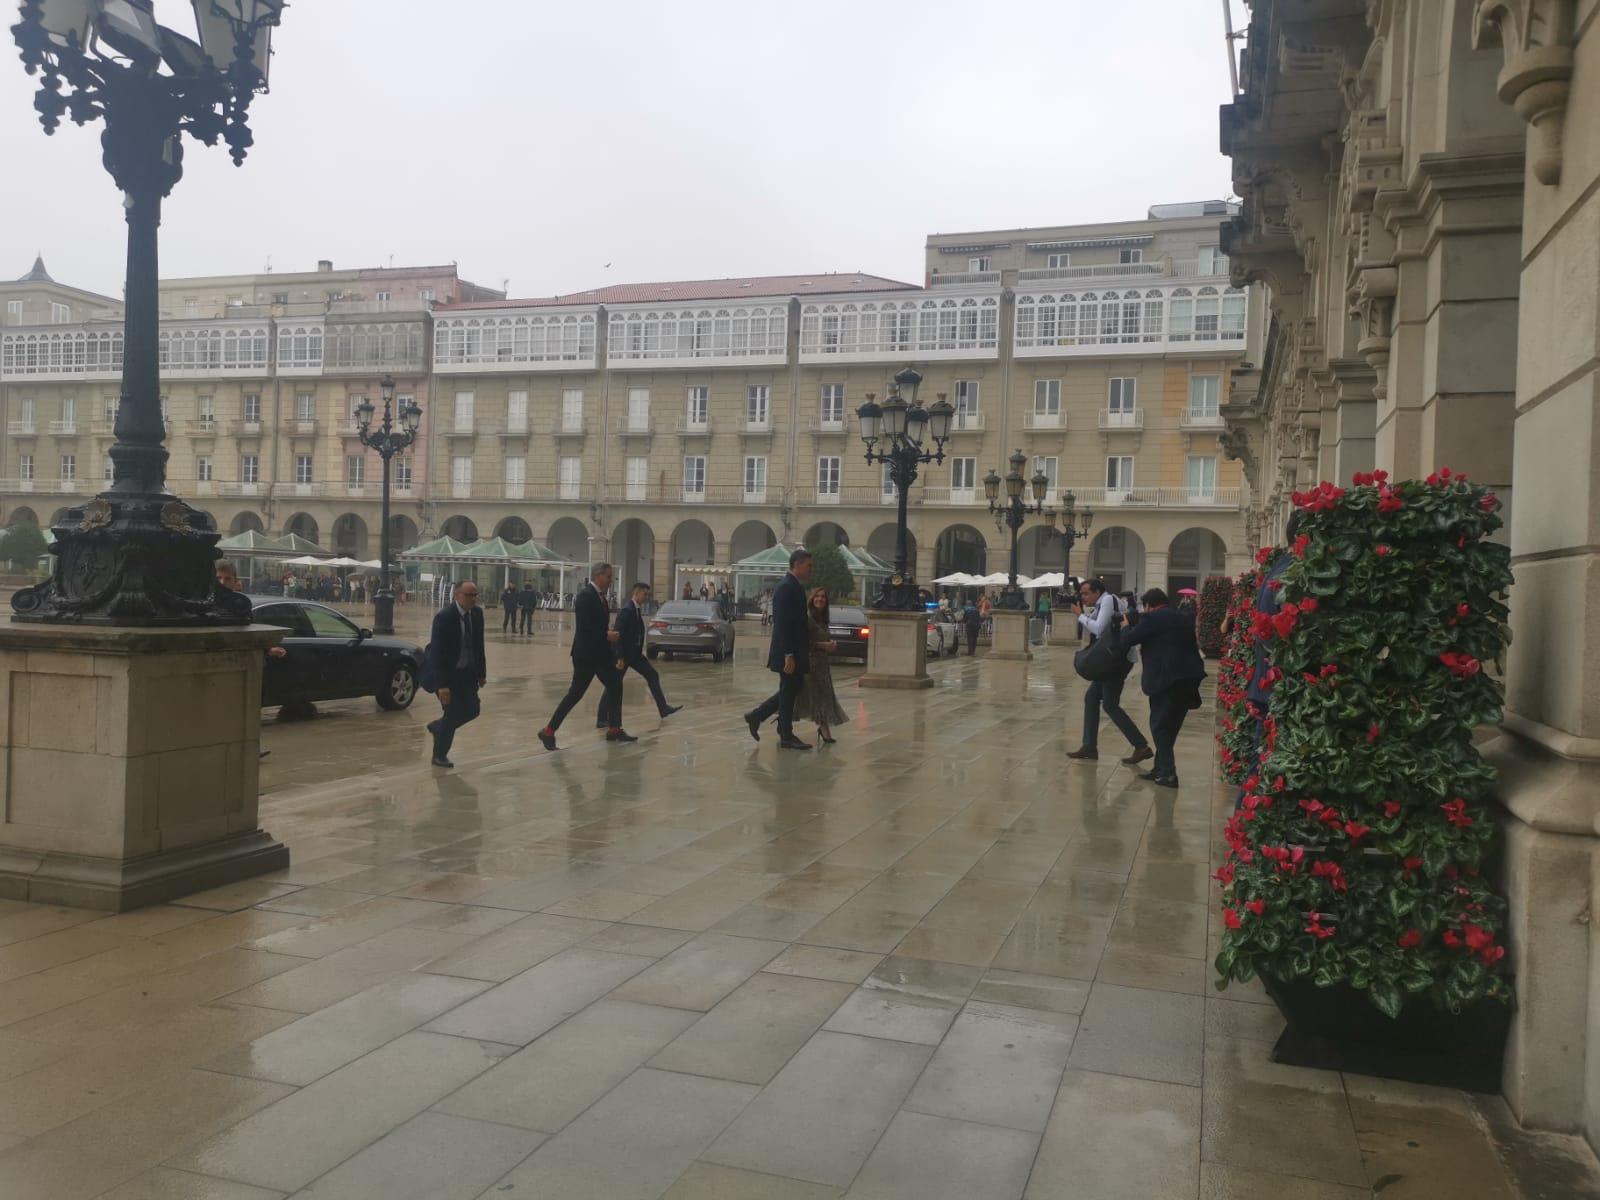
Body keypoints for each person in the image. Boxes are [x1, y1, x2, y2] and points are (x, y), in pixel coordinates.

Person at [1114, 586, 1206, 789]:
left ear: (1149, 605)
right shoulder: (1183, 616)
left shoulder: (1152, 618)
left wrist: (1126, 626)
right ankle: (1159, 768)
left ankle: (1168, 774)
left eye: (1145, 607)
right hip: (1189, 678)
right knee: (1170, 727)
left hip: (1166, 680)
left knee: (1159, 726)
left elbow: (1128, 640)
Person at [539, 562, 630, 750]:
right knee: (575, 694)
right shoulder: (585, 596)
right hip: (586, 655)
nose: (610, 580)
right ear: (598, 576)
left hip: (601, 654)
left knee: (615, 685)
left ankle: (614, 728)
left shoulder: (600, 597)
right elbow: (585, 627)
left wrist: (608, 636)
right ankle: (548, 731)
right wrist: (606, 634)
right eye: (608, 576)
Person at [1067, 578, 1153, 766]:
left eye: (1086, 593)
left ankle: (1141, 746)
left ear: (1098, 592)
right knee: (1092, 698)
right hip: (1110, 659)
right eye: (1082, 594)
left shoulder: (1107, 600)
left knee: (1110, 704)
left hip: (1116, 661)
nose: (1084, 597)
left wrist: (1079, 615)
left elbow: (1098, 628)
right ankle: (1089, 746)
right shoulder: (1102, 603)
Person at [743, 548, 813, 750]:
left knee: (791, 688)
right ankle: (785, 734)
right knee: (790, 689)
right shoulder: (785, 588)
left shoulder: (794, 586)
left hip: (794, 651)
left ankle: (760, 717)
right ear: (797, 564)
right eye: (809, 566)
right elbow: (782, 624)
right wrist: (789, 655)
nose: (811, 570)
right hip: (787, 652)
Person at [596, 582, 682, 727]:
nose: (647, 597)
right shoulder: (626, 610)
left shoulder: (635, 609)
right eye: (645, 594)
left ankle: (663, 708)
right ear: (636, 593)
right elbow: (618, 635)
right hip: (625, 655)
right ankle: (602, 718)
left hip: (635, 655)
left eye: (648, 594)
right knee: (613, 685)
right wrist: (620, 657)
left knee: (652, 675)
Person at [424, 579, 487, 768]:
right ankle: (439, 756)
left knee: (473, 709)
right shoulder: (445, 617)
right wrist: (442, 685)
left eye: (475, 595)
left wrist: (481, 673)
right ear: (457, 595)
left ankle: (438, 727)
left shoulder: (476, 614)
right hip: (448, 675)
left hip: (467, 673)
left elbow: (479, 645)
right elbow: (437, 653)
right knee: (451, 714)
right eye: (469, 595)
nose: (473, 599)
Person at [794, 586, 846, 743]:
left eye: (823, 597)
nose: (820, 599)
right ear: (812, 599)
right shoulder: (808, 617)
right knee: (810, 696)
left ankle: (824, 729)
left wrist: (830, 644)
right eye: (817, 596)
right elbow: (803, 642)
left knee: (823, 696)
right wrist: (822, 645)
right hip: (811, 664)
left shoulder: (822, 619)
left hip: (822, 664)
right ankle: (783, 724)